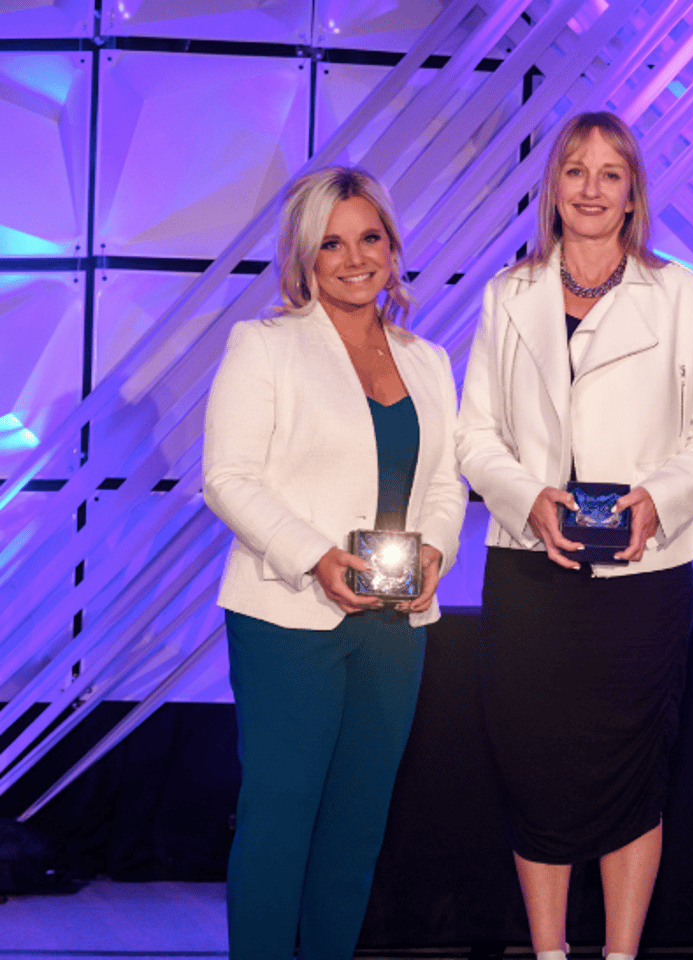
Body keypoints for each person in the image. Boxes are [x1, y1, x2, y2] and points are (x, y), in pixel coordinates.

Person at [455, 110, 693, 960]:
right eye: (574, 170)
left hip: (643, 575)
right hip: (531, 572)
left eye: (609, 173)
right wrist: (526, 497)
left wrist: (658, 497)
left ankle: (618, 957)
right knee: (534, 770)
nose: (590, 187)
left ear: (632, 194)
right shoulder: (508, 294)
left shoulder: (680, 292)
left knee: (632, 774)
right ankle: (549, 955)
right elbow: (474, 437)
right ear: (553, 187)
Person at [203, 166, 467, 959]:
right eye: (332, 243)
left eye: (370, 238)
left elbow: (447, 482)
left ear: (391, 246)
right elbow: (226, 478)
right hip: (290, 621)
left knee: (357, 831)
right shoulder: (266, 345)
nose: (355, 258)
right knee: (280, 824)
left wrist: (435, 550)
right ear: (305, 257)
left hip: (396, 626)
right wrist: (315, 558)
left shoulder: (428, 360)